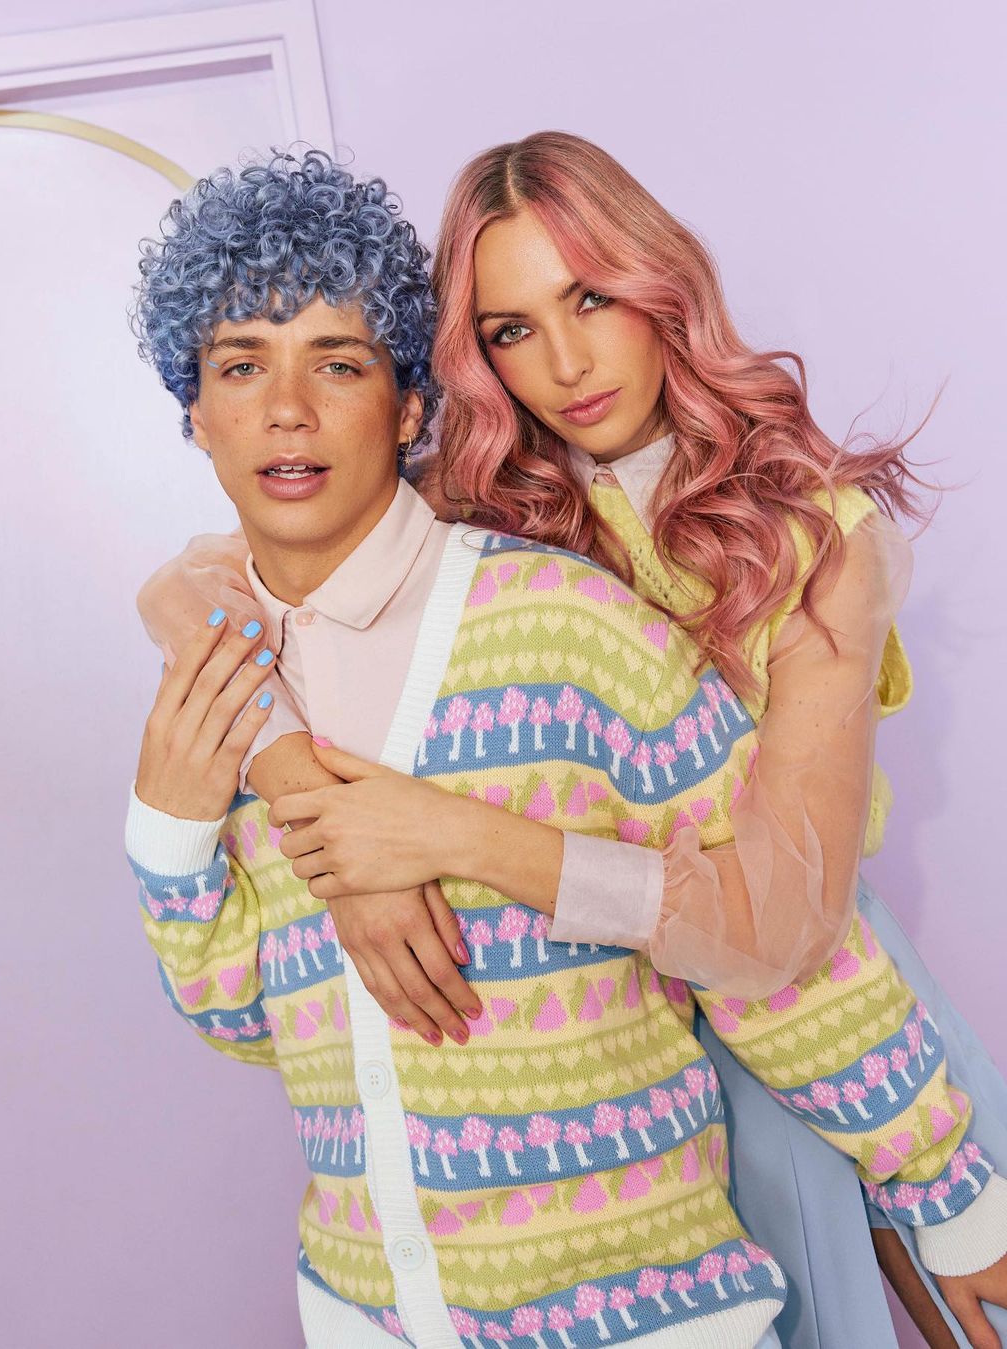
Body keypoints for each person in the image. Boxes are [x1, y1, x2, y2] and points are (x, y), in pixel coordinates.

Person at [139, 136, 1007, 1347]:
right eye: (511, 328)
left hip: (793, 959)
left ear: (661, 289)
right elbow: (197, 584)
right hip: (621, 1020)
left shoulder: (807, 540)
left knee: (928, 1284)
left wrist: (445, 834)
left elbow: (778, 928)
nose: (565, 361)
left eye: (591, 297)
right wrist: (308, 812)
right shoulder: (484, 508)